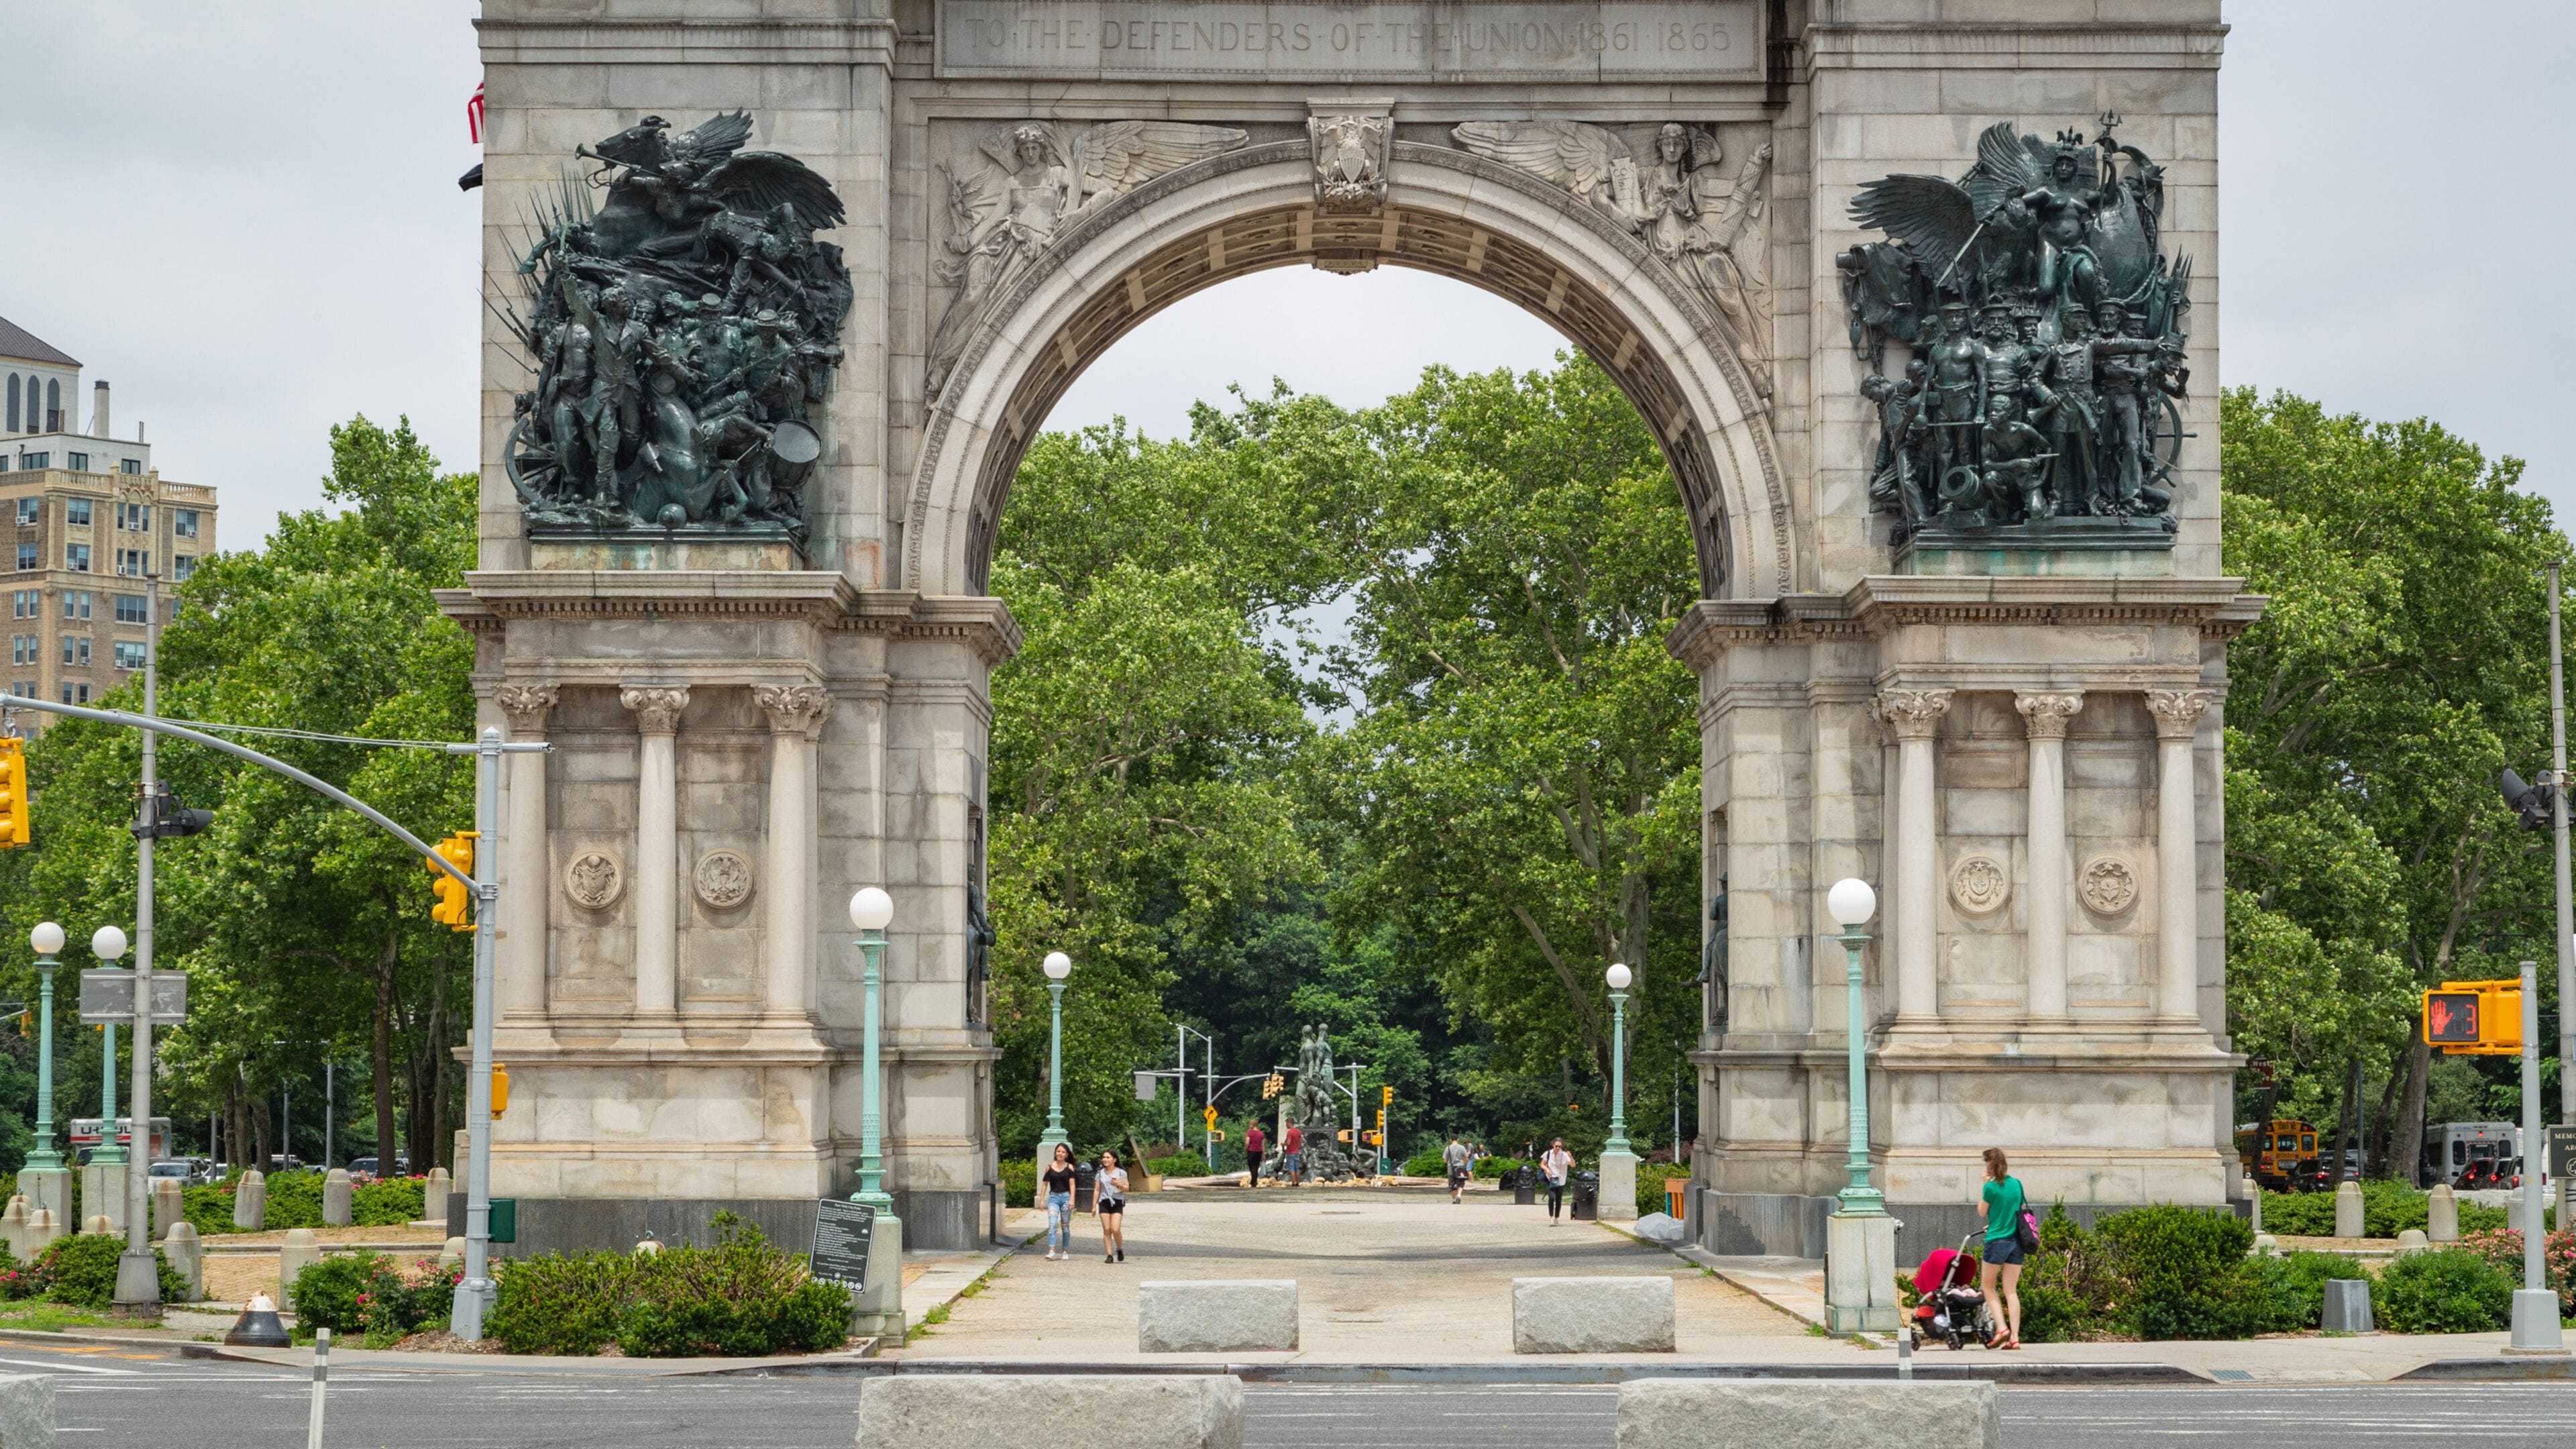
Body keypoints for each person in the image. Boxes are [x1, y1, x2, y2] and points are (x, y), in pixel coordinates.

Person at [1979, 1146, 2027, 1348]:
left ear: (1989, 1166)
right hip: (2017, 1241)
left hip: (1997, 1240)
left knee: (1988, 1287)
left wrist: (1984, 1185)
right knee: (2011, 1290)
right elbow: (2020, 1211)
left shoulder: (1990, 1187)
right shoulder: (2016, 1184)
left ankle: (2001, 1328)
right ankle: (2015, 1337)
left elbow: (1982, 1212)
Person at [1041, 1144, 1078, 1262]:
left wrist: (1072, 1199)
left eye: (1063, 1152)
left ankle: (1065, 1251)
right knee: (1052, 1223)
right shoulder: (1049, 1167)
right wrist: (1042, 1200)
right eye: (1058, 1151)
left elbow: (1072, 1184)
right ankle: (1051, 1250)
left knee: (1065, 1226)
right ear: (1055, 1153)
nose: (1060, 1154)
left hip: (1066, 1197)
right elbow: (1045, 1183)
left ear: (1066, 1154)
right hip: (1054, 1198)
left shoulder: (1070, 1167)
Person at [1095, 1149, 1130, 1263]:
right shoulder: (1100, 1173)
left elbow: (1127, 1188)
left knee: (1115, 1229)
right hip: (1104, 1202)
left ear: (1114, 1160)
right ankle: (1109, 1255)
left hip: (1117, 1202)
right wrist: (1093, 1206)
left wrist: (1119, 1185)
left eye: (1108, 1158)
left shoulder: (1121, 1173)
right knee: (1107, 1229)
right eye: (1104, 1157)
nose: (1105, 1160)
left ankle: (1119, 1249)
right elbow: (1097, 1190)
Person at [1539, 1137, 1576, 1224]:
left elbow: (1573, 1165)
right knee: (1552, 1198)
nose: (1558, 1148)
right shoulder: (1548, 1153)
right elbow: (1542, 1164)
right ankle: (1551, 1216)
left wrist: (1570, 1156)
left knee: (1559, 1199)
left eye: (1560, 1146)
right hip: (1550, 1179)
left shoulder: (1564, 1155)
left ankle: (1556, 1217)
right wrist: (1547, 1170)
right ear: (1553, 1145)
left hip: (1561, 1179)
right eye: (1556, 1146)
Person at [1444, 1134, 1473, 1203]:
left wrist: (1448, 1162)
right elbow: (1467, 1158)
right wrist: (1464, 1165)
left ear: (1450, 1140)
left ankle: (1454, 1199)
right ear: (1458, 1139)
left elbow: (1445, 1160)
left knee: (1452, 1184)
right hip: (1460, 1168)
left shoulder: (1447, 1148)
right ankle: (1459, 1195)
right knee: (1461, 1183)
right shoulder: (1462, 1148)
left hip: (1451, 1169)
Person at [1244, 1120, 1267, 1188]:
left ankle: (1254, 1181)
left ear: (1252, 1125)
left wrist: (1246, 1149)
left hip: (1251, 1151)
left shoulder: (1249, 1133)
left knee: (1252, 1167)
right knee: (1256, 1167)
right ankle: (1254, 1181)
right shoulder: (1261, 1134)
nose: (1249, 1125)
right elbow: (1263, 1145)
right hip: (1259, 1152)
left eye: (1250, 1124)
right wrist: (1263, 1154)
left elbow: (1247, 1143)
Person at [1282, 1122, 1303, 1187]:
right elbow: (1301, 1142)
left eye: (1286, 1124)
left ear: (1289, 1123)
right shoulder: (1298, 1131)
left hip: (1290, 1152)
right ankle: (1298, 1183)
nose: (1286, 1125)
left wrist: (1283, 1144)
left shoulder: (1290, 1132)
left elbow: (1288, 1143)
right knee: (1297, 1169)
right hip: (1297, 1152)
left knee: (1292, 1169)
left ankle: (1293, 1183)